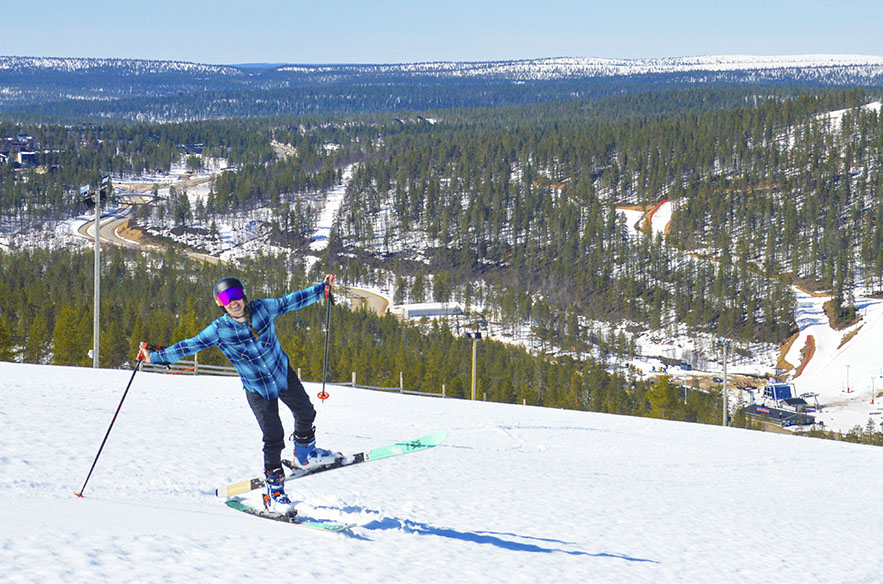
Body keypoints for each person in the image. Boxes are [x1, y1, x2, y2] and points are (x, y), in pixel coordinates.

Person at [138, 274, 339, 514]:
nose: (233, 302)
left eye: (235, 295)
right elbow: (188, 345)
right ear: (220, 303)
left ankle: (305, 454)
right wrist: (155, 357)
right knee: (273, 436)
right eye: (225, 298)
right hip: (257, 388)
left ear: (243, 295)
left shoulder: (263, 309)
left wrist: (321, 290)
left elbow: (289, 301)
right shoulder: (219, 330)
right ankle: (274, 492)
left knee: (306, 412)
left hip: (282, 373)